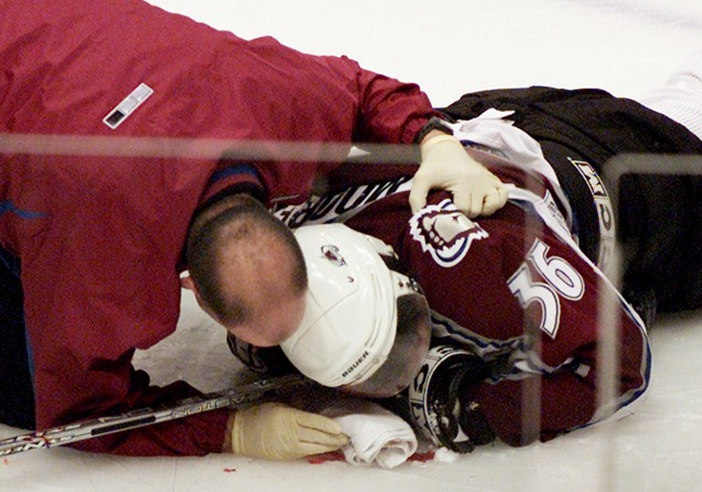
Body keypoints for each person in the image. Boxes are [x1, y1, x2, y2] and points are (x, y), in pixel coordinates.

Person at [0, 0, 508, 458]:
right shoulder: (98, 249)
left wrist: (434, 140)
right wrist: (229, 431)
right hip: (33, 72)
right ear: (193, 292)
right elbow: (76, 413)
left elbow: (359, 90)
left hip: (53, 32)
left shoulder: (270, 103)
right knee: (25, 392)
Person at [230, 52, 702, 450]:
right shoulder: (284, 250)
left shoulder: (471, 251)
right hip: (494, 122)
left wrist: (476, 406)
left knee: (682, 114)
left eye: (401, 332)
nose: (399, 374)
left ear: (392, 269)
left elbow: (620, 364)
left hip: (624, 171)